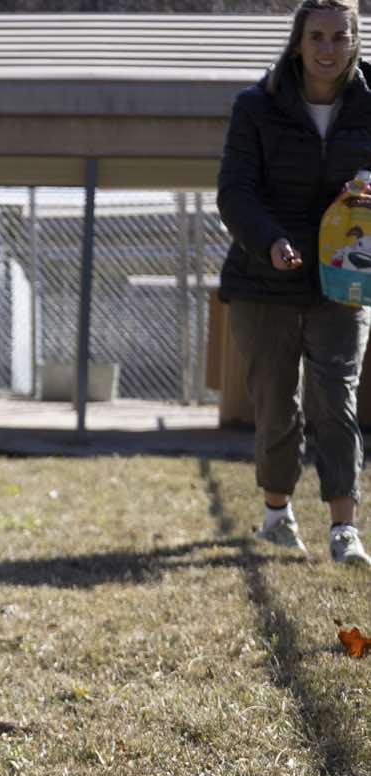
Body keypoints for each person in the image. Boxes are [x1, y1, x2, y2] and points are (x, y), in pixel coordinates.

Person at [217, 0, 371, 566]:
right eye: (317, 37)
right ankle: (278, 516)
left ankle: (343, 529)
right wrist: (271, 241)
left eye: (339, 37)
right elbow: (234, 191)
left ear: (354, 41)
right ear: (298, 43)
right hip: (264, 278)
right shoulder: (256, 107)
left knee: (335, 399)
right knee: (276, 404)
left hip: (345, 281)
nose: (328, 49)